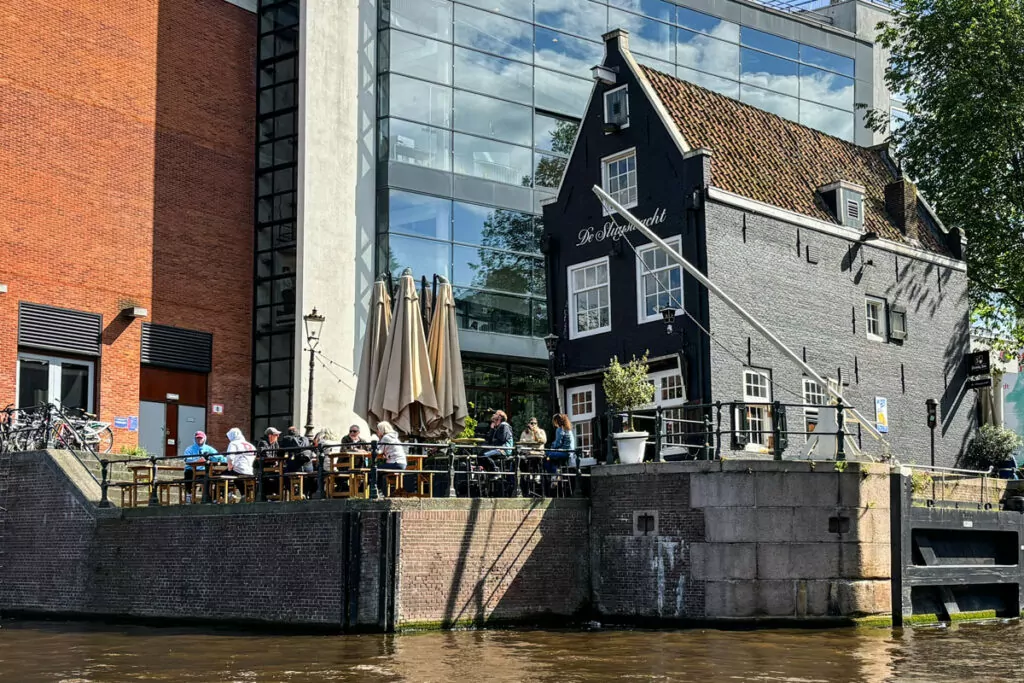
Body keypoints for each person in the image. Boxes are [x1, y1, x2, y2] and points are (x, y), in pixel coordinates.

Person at [279, 426, 315, 498]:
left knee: (283, 474)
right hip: (309, 468)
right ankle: (305, 493)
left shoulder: (287, 439)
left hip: (295, 467)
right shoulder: (306, 439)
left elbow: (280, 453)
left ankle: (294, 493)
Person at [183, 431, 219, 503]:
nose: (199, 440)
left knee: (214, 477)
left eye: (201, 438)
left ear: (204, 439)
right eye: (197, 438)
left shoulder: (209, 449)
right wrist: (197, 460)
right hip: (192, 470)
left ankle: (213, 497)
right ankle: (189, 494)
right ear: (195, 439)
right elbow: (186, 459)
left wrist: (212, 458)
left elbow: (219, 457)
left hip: (205, 470)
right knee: (188, 473)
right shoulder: (189, 449)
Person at [375, 421, 406, 497]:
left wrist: (372, 447)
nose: (377, 431)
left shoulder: (386, 437)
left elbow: (378, 451)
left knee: (376, 470)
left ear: (382, 429)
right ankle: (379, 491)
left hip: (396, 463)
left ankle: (377, 491)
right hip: (401, 463)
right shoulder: (393, 437)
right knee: (380, 471)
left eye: (378, 429)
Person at [225, 427, 256, 501]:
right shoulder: (250, 445)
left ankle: (226, 494)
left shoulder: (233, 443)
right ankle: (244, 495)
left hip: (239, 469)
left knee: (219, 477)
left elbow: (230, 456)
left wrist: (229, 466)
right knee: (237, 479)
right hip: (250, 471)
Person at [257, 427, 282, 500]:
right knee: (272, 478)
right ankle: (268, 496)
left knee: (282, 476)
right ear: (270, 436)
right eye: (276, 435)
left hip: (273, 468)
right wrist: (275, 460)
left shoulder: (275, 443)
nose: (278, 436)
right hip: (262, 468)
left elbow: (278, 454)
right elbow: (265, 456)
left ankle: (277, 496)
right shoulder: (262, 443)